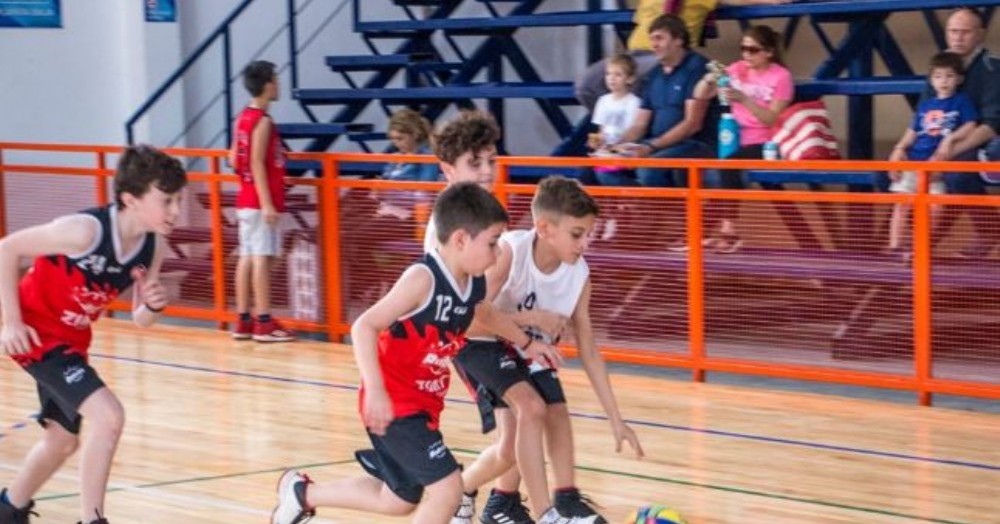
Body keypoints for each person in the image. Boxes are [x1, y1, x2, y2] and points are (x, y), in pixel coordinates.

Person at [268, 182, 509, 524]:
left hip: (424, 406)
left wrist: (529, 340)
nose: (498, 252)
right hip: (393, 404)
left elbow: (485, 316)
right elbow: (364, 327)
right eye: (493, 242)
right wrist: (376, 390)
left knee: (398, 499)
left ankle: (302, 494)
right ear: (460, 240)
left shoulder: (474, 283)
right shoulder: (423, 278)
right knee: (448, 488)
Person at [0, 145, 187, 524]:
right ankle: (92, 520)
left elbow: (140, 320)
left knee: (62, 442)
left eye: (178, 200)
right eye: (166, 200)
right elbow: (7, 248)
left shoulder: (152, 245)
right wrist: (11, 321)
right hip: (37, 335)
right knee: (109, 417)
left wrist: (151, 306)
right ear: (130, 199)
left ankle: (8, 510)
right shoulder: (83, 232)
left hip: (72, 342)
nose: (176, 211)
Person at [452, 176, 645, 524]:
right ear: (544, 228)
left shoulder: (579, 274)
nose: (586, 242)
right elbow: (469, 320)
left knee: (545, 420)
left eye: (590, 233)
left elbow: (589, 348)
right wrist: (532, 318)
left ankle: (549, 499)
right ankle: (546, 514)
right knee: (531, 409)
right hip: (479, 345)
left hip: (526, 348)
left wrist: (616, 419)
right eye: (577, 234)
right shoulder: (509, 252)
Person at [693, 24, 793, 253]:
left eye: (753, 50)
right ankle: (698, 231)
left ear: (768, 52)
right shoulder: (737, 69)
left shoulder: (781, 76)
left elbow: (770, 119)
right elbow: (699, 95)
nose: (746, 54)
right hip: (734, 138)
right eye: (743, 48)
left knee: (728, 167)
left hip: (768, 142)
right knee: (695, 163)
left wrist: (744, 99)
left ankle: (728, 230)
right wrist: (710, 78)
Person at [921, 7, 1000, 258]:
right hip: (941, 144)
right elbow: (923, 116)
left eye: (965, 32)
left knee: (957, 174)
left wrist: (948, 152)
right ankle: (907, 245)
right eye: (953, 31)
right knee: (890, 175)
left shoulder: (993, 68)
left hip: (984, 143)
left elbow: (991, 124)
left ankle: (989, 230)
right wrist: (904, 148)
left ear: (980, 34)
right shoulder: (939, 66)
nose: (957, 37)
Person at [887, 52, 978, 256]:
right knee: (902, 204)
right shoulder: (925, 106)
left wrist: (950, 139)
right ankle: (895, 246)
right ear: (931, 80)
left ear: (959, 79)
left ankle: (919, 247)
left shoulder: (961, 102)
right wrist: (899, 149)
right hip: (915, 162)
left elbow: (971, 125)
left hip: (937, 166)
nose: (943, 81)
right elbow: (912, 132)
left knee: (935, 207)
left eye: (949, 76)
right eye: (938, 76)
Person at [230, 60, 295, 342]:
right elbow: (256, 162)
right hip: (258, 200)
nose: (279, 84)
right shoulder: (263, 121)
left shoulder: (243, 117)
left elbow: (233, 158)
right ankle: (264, 320)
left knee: (247, 256)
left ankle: (243, 319)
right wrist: (268, 201)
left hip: (245, 196)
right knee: (262, 257)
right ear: (268, 85)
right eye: (276, 80)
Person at [614, 14, 712, 188]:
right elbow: (639, 124)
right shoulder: (654, 75)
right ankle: (639, 211)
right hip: (657, 144)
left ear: (678, 40)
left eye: (659, 38)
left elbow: (692, 124)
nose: (654, 45)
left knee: (648, 170)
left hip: (692, 144)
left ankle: (668, 214)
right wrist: (616, 145)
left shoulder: (697, 68)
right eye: (652, 39)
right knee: (602, 168)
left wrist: (651, 147)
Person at [586, 53, 643, 186]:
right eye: (608, 74)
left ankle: (635, 193)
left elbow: (632, 133)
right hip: (607, 151)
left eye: (618, 75)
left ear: (630, 79)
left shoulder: (634, 102)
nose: (611, 79)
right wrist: (597, 141)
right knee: (586, 172)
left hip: (625, 150)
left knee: (604, 174)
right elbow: (602, 130)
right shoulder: (603, 101)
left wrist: (613, 148)